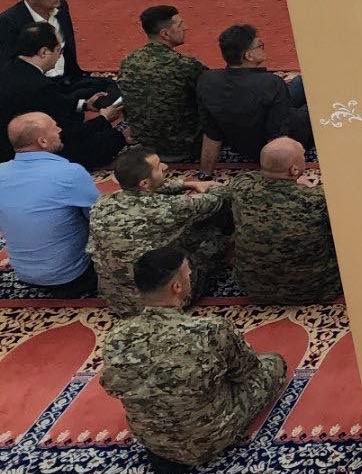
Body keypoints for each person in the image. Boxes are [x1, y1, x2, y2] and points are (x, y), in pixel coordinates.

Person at [98, 245, 288, 474]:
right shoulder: (209, 330)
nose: (190, 277)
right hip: (211, 435)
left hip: (153, 441)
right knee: (274, 364)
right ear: (177, 287)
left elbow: (112, 386)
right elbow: (247, 371)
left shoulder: (117, 339)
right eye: (188, 273)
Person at [89, 145, 230, 314]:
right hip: (156, 303)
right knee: (210, 236)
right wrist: (213, 187)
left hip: (115, 299)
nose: (165, 166)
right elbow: (217, 199)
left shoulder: (102, 204)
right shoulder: (166, 208)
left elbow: (148, 190)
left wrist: (186, 184)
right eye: (158, 167)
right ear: (144, 182)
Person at [222, 137, 340, 303]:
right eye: (303, 157)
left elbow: (253, 177)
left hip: (254, 289)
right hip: (317, 289)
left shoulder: (242, 188)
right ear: (294, 169)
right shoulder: (317, 199)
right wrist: (304, 187)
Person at [0, 113, 103, 295]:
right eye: (54, 127)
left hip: (23, 273)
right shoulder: (69, 173)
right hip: (72, 276)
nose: (60, 130)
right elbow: (101, 218)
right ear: (43, 141)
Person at [0, 24, 126, 169]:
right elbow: (65, 133)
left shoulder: (11, 67)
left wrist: (85, 105)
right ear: (43, 52)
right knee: (110, 138)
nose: (60, 55)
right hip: (18, 151)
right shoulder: (40, 86)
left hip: (9, 139)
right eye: (58, 50)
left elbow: (54, 101)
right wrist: (104, 118)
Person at [196, 24, 310, 172]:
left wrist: (205, 173)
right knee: (320, 106)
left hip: (244, 142)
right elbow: (278, 137)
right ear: (249, 56)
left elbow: (211, 133)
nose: (263, 49)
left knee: (301, 82)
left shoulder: (208, 80)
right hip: (272, 145)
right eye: (260, 46)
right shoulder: (271, 83)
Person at [0, 0, 114, 101]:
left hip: (68, 80)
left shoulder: (61, 7)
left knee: (112, 86)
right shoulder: (9, 22)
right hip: (38, 86)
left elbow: (68, 47)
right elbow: (8, 66)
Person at [117, 5, 208, 162]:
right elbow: (212, 91)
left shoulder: (128, 61)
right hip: (186, 147)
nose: (185, 27)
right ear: (165, 34)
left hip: (145, 145)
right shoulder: (186, 65)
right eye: (180, 25)